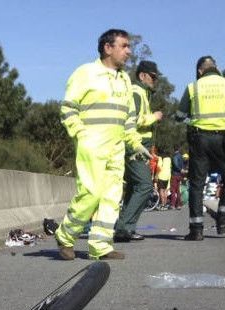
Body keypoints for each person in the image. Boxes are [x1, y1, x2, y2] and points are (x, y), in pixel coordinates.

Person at [55, 29, 149, 260]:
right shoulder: (85, 73)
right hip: (92, 145)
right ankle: (66, 235)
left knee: (111, 197)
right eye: (124, 46)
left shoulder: (125, 79)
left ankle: (101, 246)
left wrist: (135, 143)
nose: (129, 51)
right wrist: (80, 134)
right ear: (108, 48)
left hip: (116, 148)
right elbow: (68, 108)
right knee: (91, 193)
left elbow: (128, 118)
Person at [175, 56, 225, 240]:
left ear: (199, 71)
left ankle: (196, 230)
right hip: (223, 140)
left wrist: (193, 121)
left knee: (197, 184)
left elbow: (180, 115)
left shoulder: (193, 87)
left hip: (199, 139)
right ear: (216, 67)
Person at [114, 60, 164, 242]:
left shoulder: (143, 93)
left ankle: (126, 228)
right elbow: (132, 120)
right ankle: (123, 227)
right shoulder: (136, 92)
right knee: (145, 186)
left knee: (134, 187)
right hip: (134, 146)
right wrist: (154, 117)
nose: (154, 81)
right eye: (153, 77)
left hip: (138, 147)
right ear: (142, 75)